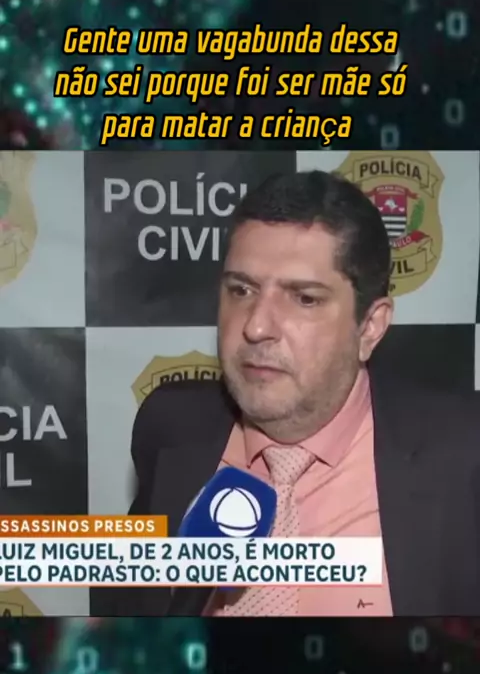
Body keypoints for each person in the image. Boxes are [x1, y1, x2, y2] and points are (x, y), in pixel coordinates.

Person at [90, 169, 480, 617]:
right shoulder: (171, 424)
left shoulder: (463, 455)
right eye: (241, 290)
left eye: (304, 298)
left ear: (370, 327)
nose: (256, 326)